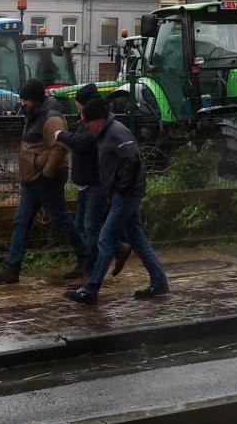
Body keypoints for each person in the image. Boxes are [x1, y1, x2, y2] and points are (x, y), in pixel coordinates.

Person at [0, 80, 87, 285]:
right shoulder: (35, 113)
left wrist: (46, 174)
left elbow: (59, 148)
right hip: (32, 179)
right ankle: (11, 268)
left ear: (36, 100)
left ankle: (86, 259)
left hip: (45, 178)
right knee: (22, 221)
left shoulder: (51, 118)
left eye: (26, 99)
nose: (23, 103)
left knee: (61, 219)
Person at [65, 99, 167, 303]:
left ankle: (91, 289)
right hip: (121, 192)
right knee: (136, 238)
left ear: (99, 119)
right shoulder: (104, 132)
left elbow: (132, 159)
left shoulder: (116, 132)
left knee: (105, 238)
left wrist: (120, 188)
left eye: (87, 121)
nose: (85, 125)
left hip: (127, 193)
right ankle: (159, 282)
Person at [54, 83, 103, 281]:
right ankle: (112, 251)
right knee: (82, 225)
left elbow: (83, 143)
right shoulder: (85, 121)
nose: (77, 108)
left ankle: (90, 267)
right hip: (85, 182)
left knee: (90, 226)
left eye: (78, 105)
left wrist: (62, 136)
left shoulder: (94, 123)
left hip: (94, 182)